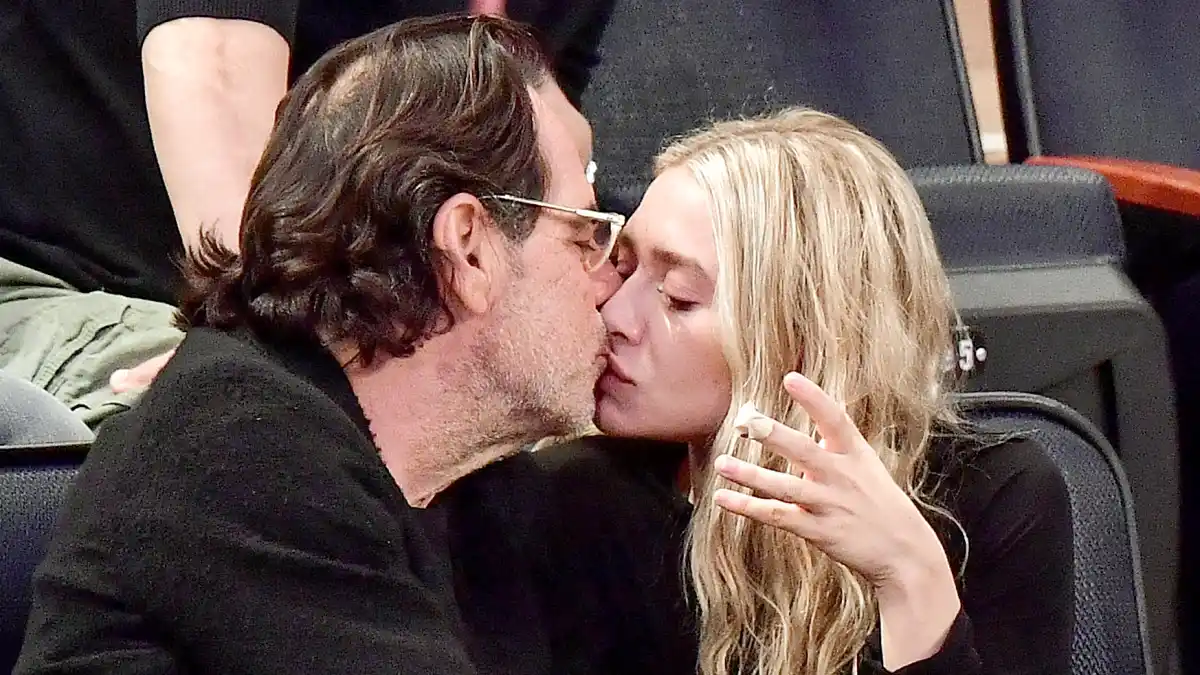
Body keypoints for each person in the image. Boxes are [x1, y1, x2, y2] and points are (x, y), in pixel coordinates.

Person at [15, 15, 627, 674]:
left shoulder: (480, 492)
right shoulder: (241, 447)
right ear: (468, 249)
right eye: (585, 235)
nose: (611, 281)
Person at [527, 108, 1074, 675]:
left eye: (677, 296)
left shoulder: (991, 498)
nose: (614, 313)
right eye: (622, 265)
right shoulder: (572, 502)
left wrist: (912, 582)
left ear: (805, 334)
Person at [0, 0, 611, 434]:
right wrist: (272, 344)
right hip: (66, 281)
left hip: (372, 297)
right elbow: (209, 63)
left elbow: (547, 131)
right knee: (245, 429)